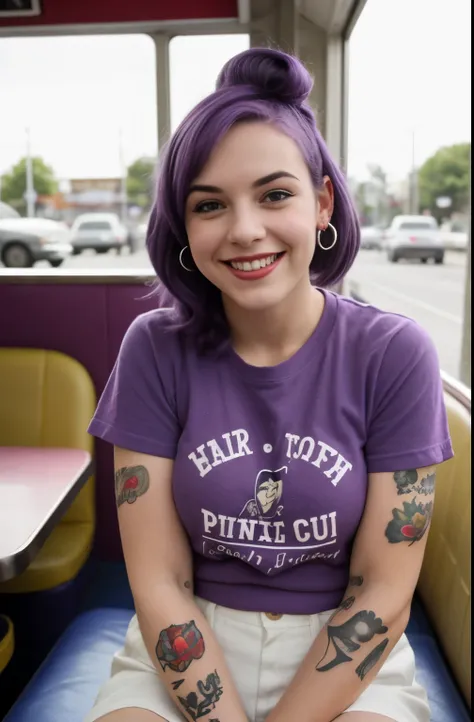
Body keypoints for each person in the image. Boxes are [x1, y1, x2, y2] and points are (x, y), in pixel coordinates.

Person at [85, 47, 453, 722]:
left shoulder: (394, 353)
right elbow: (159, 579)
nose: (245, 230)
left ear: (321, 203)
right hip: (188, 645)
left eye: (275, 194)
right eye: (209, 205)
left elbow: (383, 591)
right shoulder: (153, 349)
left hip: (344, 657)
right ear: (184, 228)